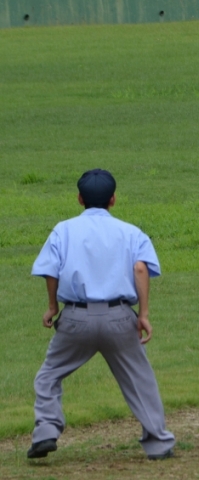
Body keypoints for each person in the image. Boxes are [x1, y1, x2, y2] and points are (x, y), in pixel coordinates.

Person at [27, 169, 175, 460]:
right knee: (139, 380)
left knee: (48, 376)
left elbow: (50, 270)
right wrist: (143, 314)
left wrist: (53, 307)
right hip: (119, 318)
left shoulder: (63, 230)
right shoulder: (131, 232)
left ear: (80, 199)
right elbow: (141, 268)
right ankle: (159, 443)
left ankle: (46, 431)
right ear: (113, 199)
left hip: (76, 319)